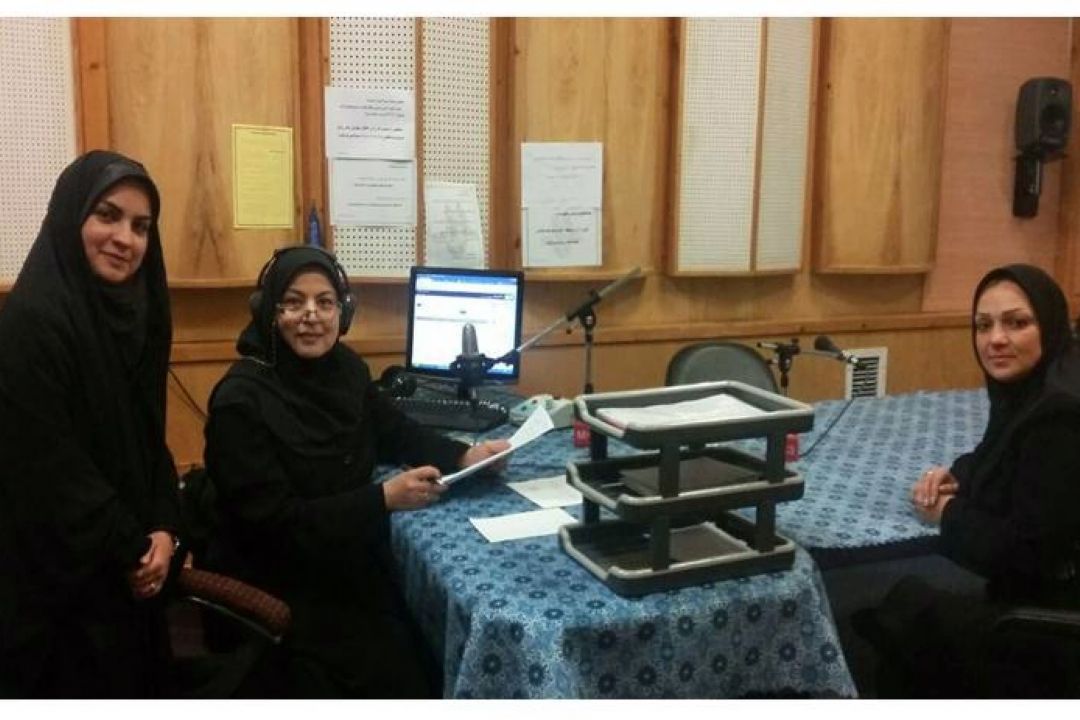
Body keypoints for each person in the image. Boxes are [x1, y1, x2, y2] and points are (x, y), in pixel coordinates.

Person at [202, 246, 509, 698]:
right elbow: (274, 525)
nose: (311, 315)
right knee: (402, 677)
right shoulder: (239, 401)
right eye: (294, 302)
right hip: (284, 576)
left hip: (346, 556)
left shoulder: (345, 369)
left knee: (432, 642)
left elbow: (395, 431)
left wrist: (465, 456)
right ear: (268, 311)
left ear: (343, 313)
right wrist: (382, 499)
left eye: (325, 302)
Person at [0, 151, 181, 697]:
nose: (125, 239)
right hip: (57, 590)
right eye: (107, 215)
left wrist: (166, 529)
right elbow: (52, 472)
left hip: (131, 572)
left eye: (141, 226)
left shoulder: (141, 314)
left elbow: (149, 441)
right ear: (70, 216)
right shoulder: (31, 325)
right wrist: (134, 547)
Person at [855, 263, 1080, 698]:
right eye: (983, 325)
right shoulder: (1037, 386)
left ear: (1050, 325)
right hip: (1040, 594)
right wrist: (957, 475)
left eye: (1017, 323)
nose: (995, 339)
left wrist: (948, 514)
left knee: (901, 614)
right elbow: (1000, 450)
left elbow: (1025, 553)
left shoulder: (1060, 420)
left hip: (1051, 621)